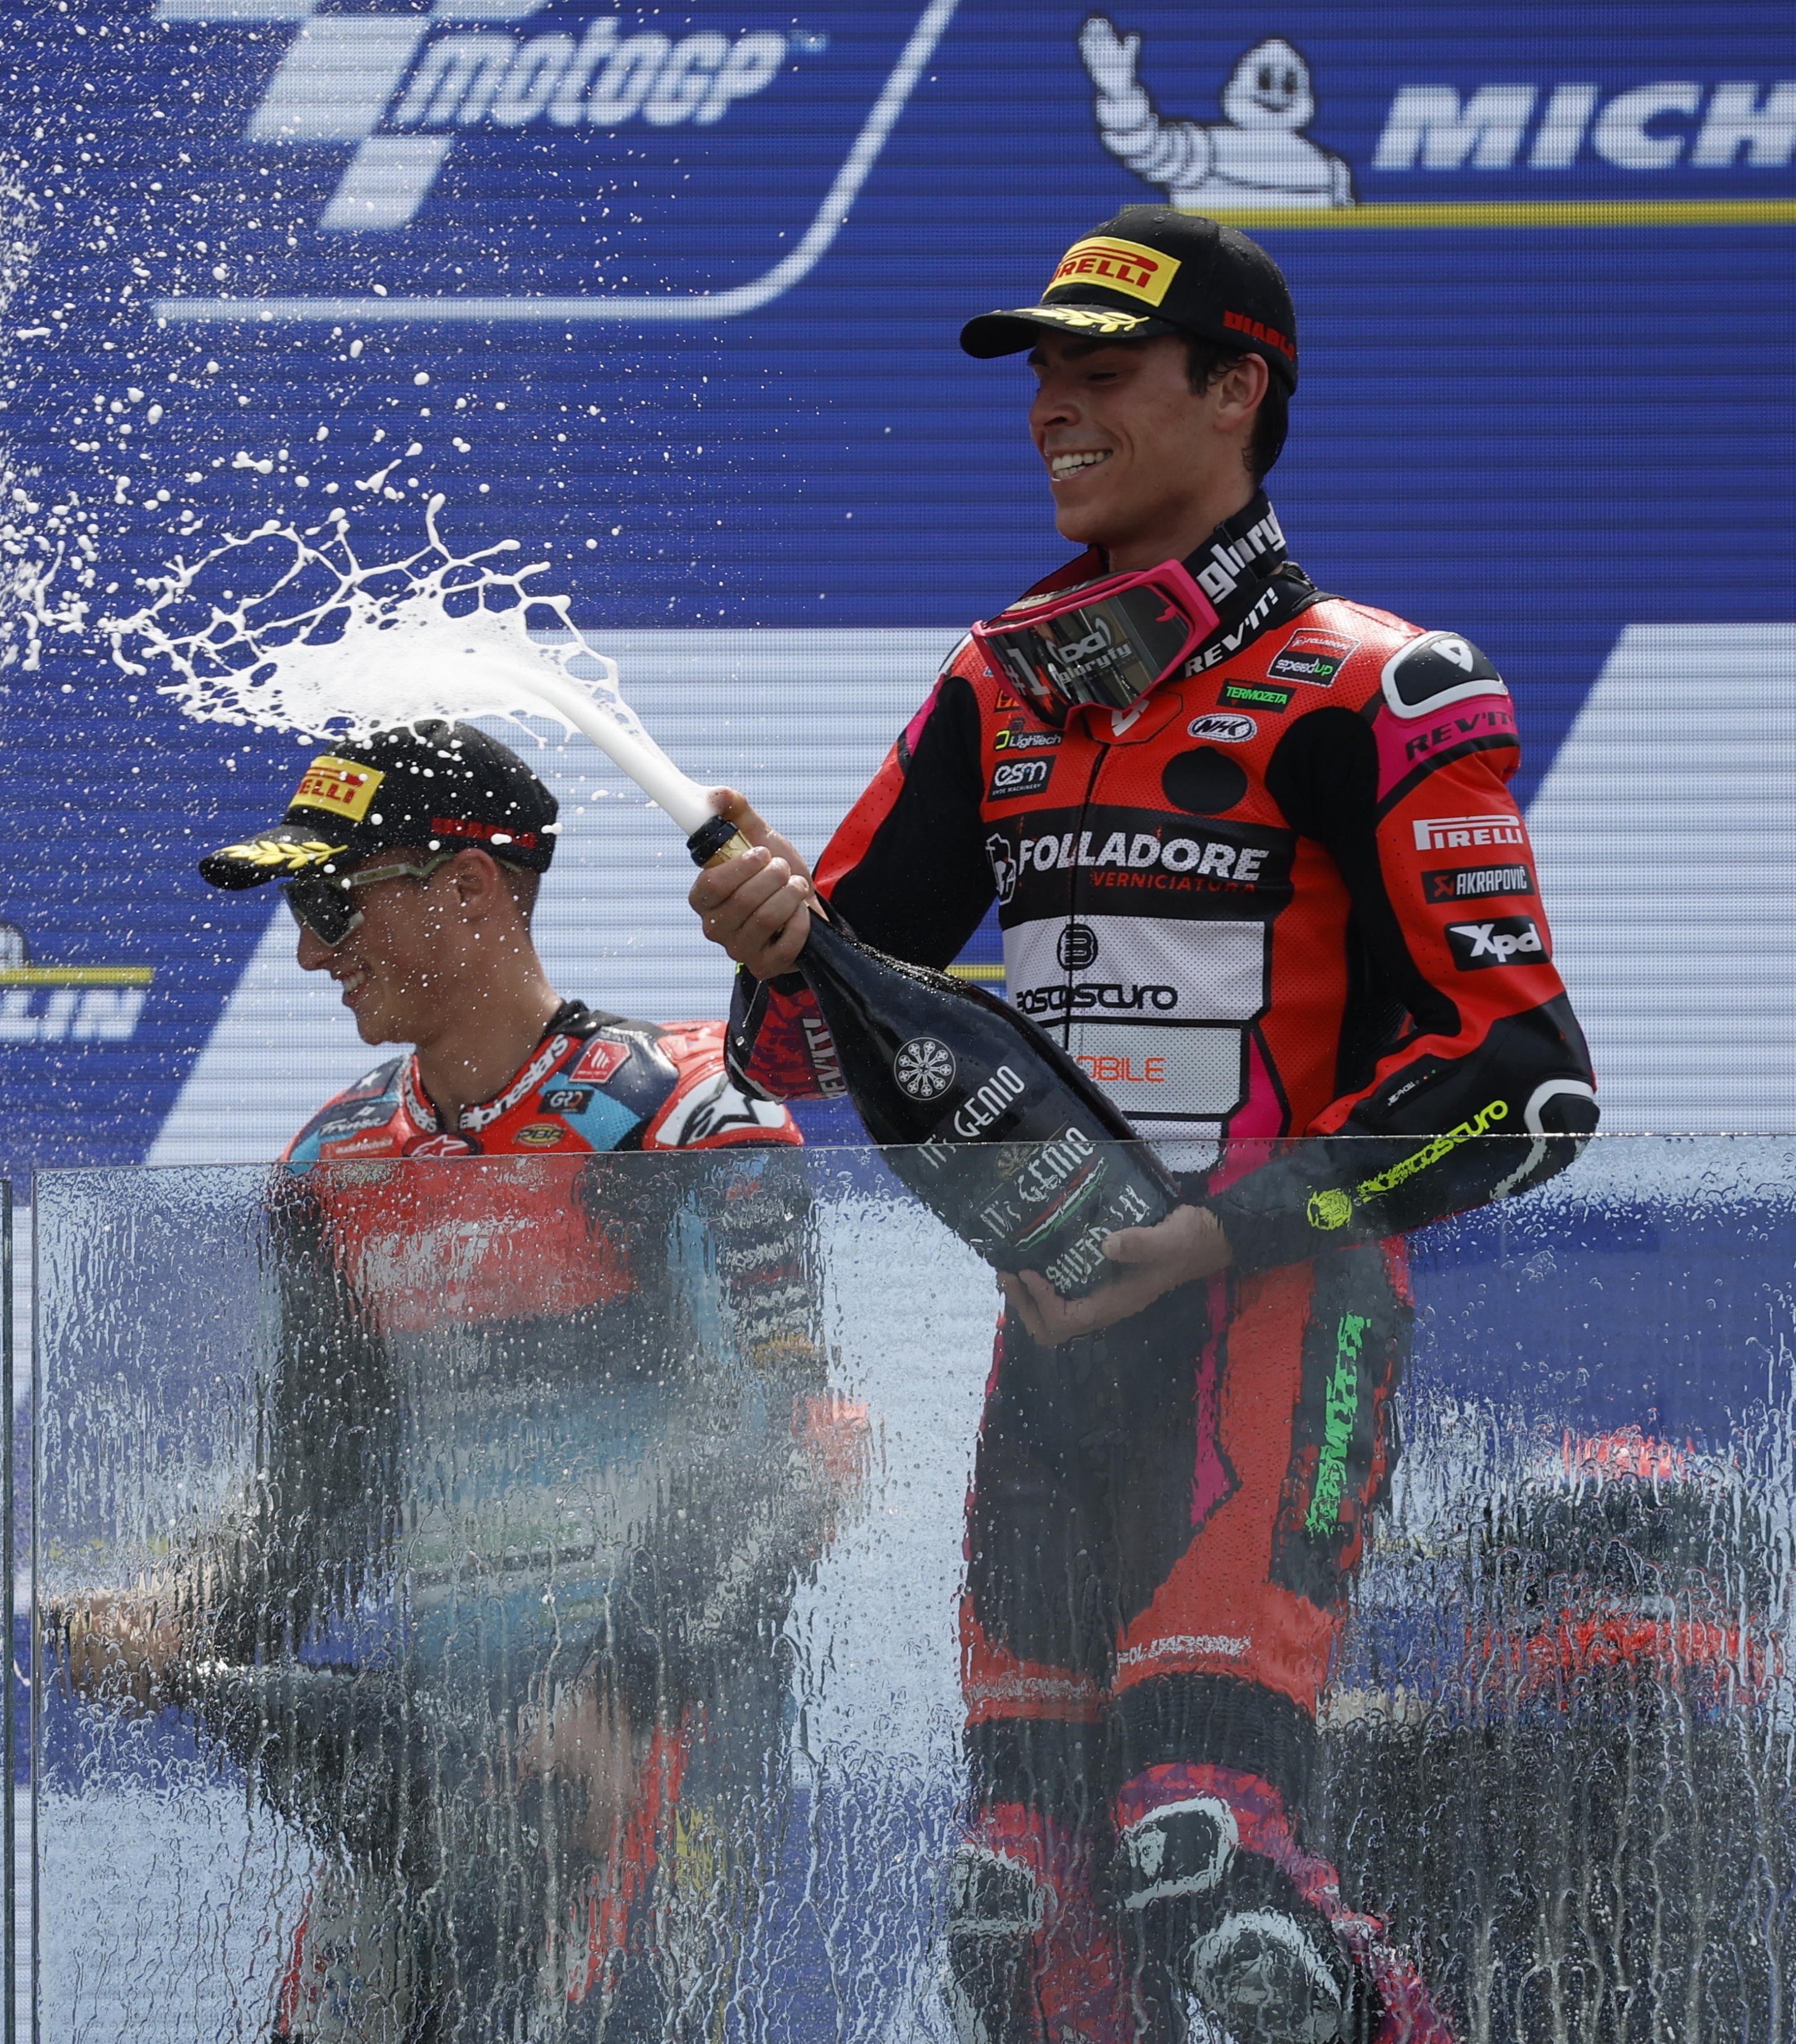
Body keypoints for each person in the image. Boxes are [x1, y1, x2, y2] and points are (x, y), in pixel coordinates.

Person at [686, 207, 1595, 2043]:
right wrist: (776, 943)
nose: (1052, 410)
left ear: (1236, 386)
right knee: (1017, 1895)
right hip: (1059, 1349)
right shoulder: (1000, 684)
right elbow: (791, 1045)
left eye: (1100, 373)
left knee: (1209, 1849)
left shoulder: (1381, 686)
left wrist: (1215, 1227)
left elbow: (1530, 1080)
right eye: (1041, 376)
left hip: (1273, 1318)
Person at [63, 722, 858, 2040]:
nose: (312, 949)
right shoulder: (335, 1162)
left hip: (653, 1733)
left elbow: (798, 1447)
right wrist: (181, 1607)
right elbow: (320, 1498)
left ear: (472, 886)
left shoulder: (683, 1116)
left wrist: (617, 1695)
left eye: (332, 900)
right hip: (430, 1736)